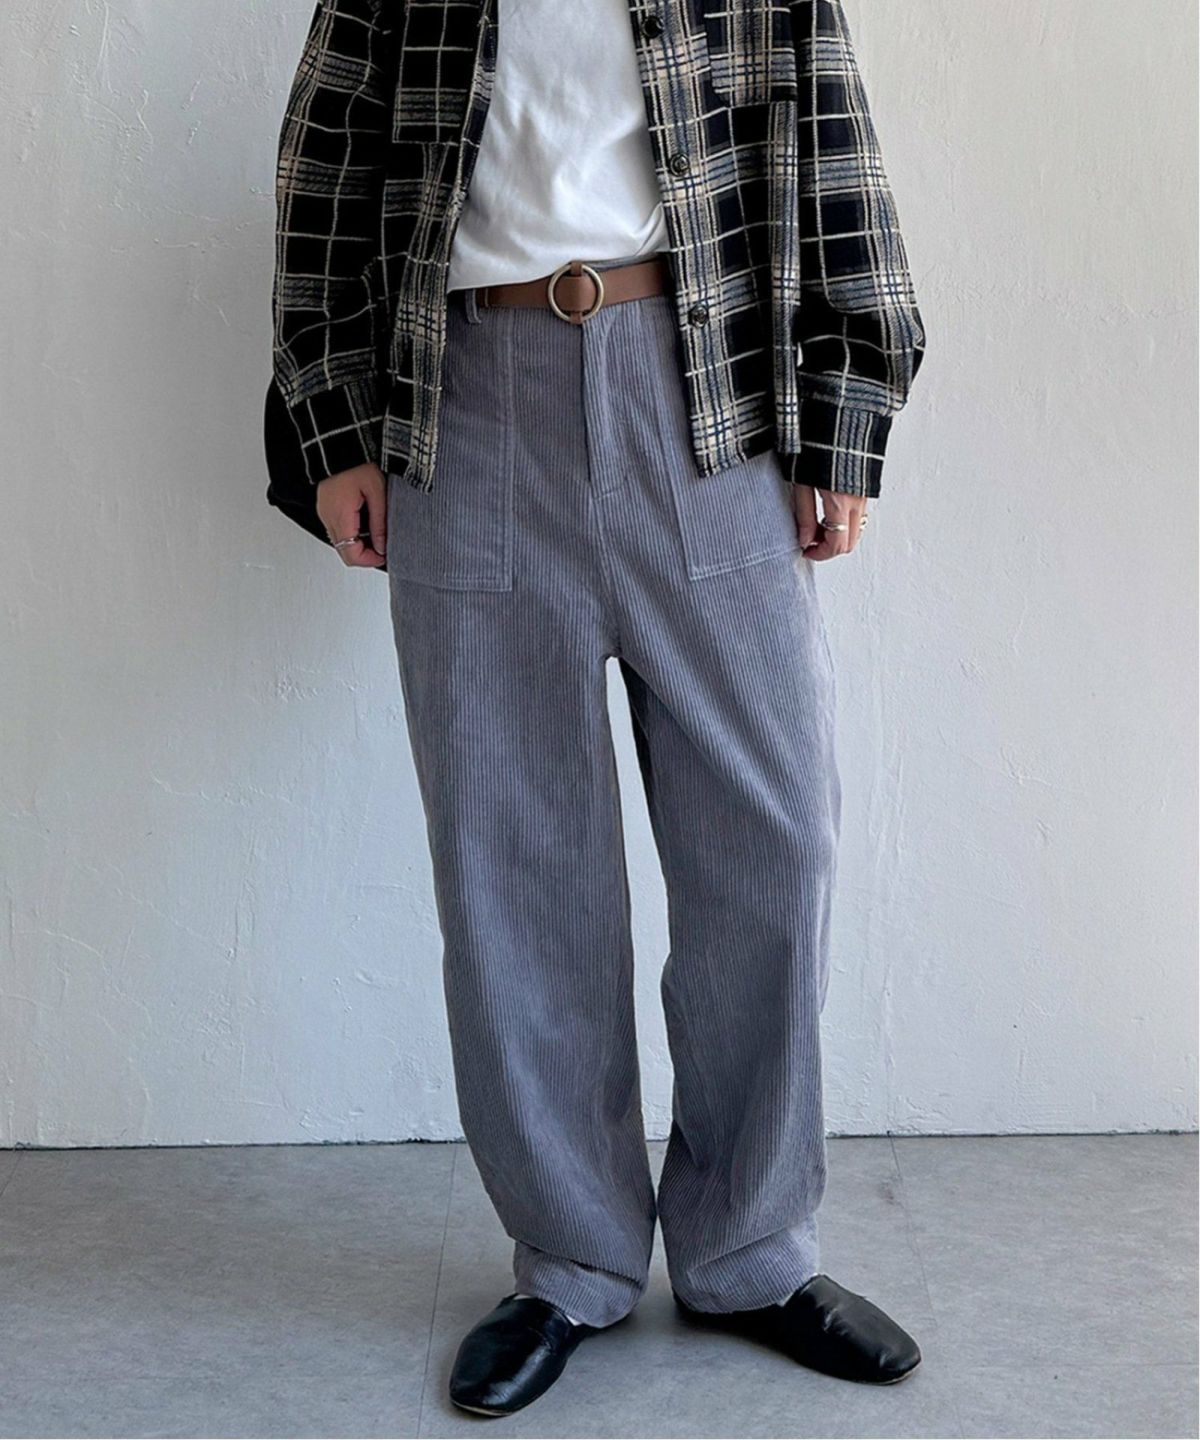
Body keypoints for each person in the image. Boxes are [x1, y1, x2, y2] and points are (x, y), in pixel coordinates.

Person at [271, 0, 927, 1417]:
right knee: (513, 861)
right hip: (470, 403)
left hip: (708, 395)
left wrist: (843, 410)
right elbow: (323, 170)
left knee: (775, 839)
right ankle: (570, 1260)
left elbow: (832, 145)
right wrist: (333, 428)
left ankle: (750, 1250)